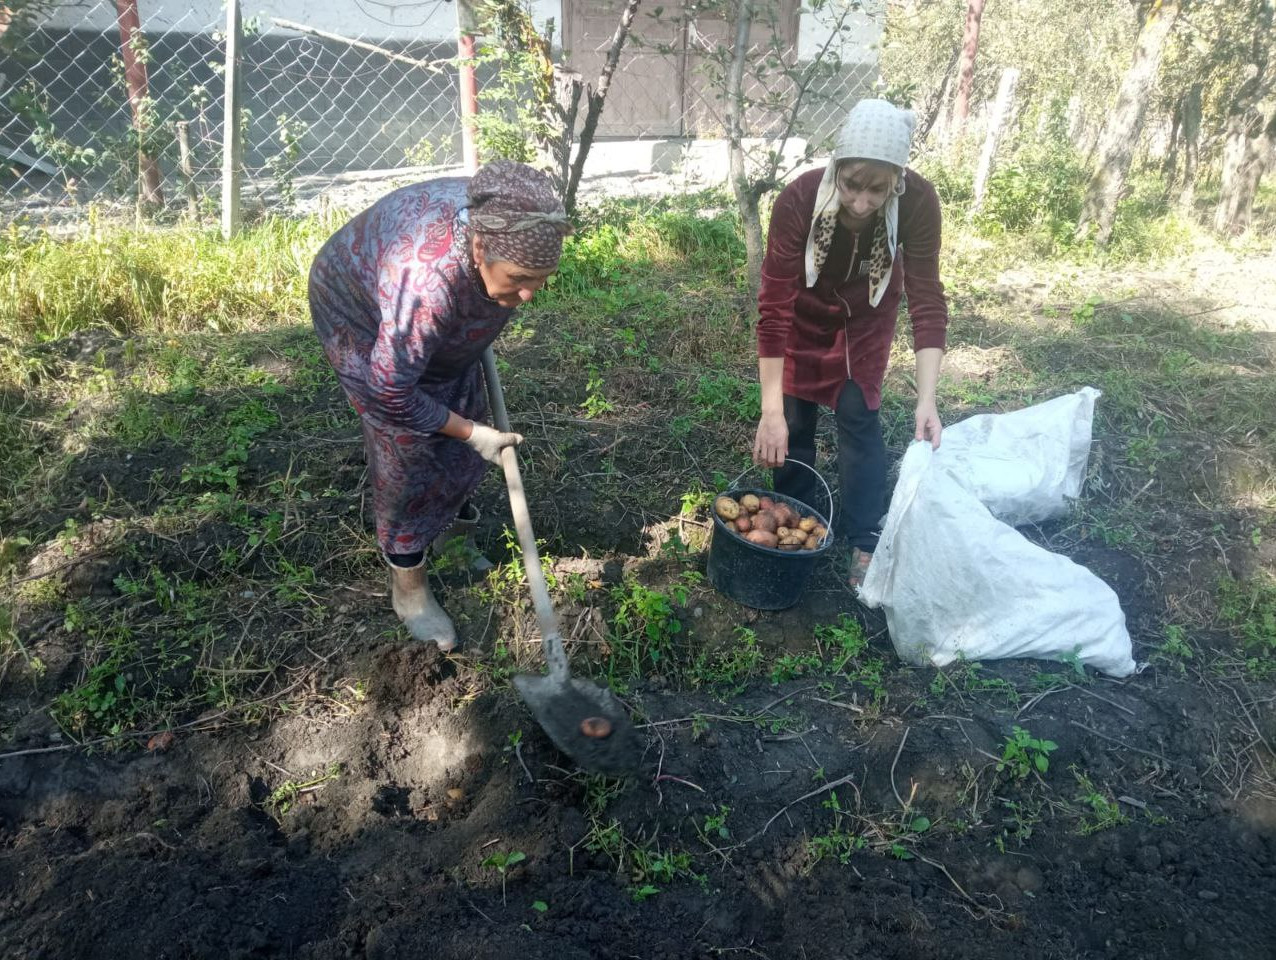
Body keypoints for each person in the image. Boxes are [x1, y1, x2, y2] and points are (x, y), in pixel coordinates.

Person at [309, 159, 571, 651]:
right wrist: (471, 433)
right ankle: (408, 588)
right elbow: (390, 390)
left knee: (460, 397)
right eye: (519, 278)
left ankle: (453, 537)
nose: (530, 294)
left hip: (442, 293)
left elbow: (491, 299)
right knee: (407, 445)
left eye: (542, 279)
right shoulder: (426, 285)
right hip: (356, 306)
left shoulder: (506, 221)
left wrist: (465, 418)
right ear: (479, 248)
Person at [751, 99, 948, 589]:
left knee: (859, 414)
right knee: (793, 418)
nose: (861, 203)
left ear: (897, 181)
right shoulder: (799, 199)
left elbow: (927, 299)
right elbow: (773, 308)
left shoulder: (918, 202)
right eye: (852, 185)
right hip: (802, 312)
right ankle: (797, 520)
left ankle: (864, 538)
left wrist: (927, 399)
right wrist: (770, 411)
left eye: (877, 189)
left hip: (868, 313)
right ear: (836, 168)